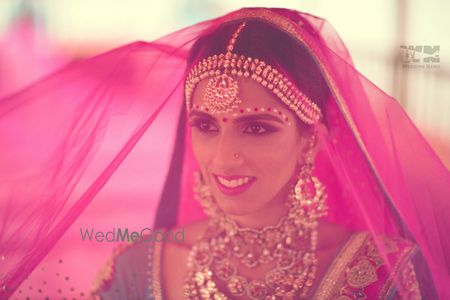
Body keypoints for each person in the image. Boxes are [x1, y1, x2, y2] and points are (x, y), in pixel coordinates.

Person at [1, 7, 449, 300]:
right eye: (206, 126)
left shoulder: (383, 275)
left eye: (257, 127)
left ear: (311, 138)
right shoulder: (139, 266)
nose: (222, 158)